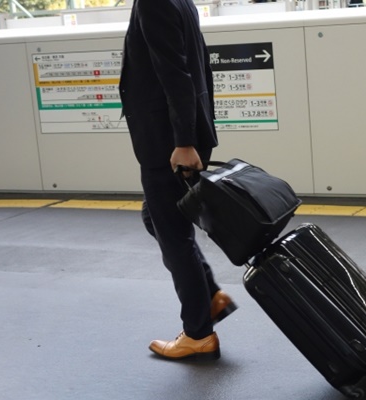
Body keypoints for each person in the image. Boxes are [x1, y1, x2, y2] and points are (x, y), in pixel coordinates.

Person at [119, 0, 237, 360]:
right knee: (154, 217)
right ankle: (211, 295)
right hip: (181, 132)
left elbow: (175, 72)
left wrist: (184, 141)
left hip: (167, 140)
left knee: (174, 236)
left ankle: (198, 333)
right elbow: (200, 65)